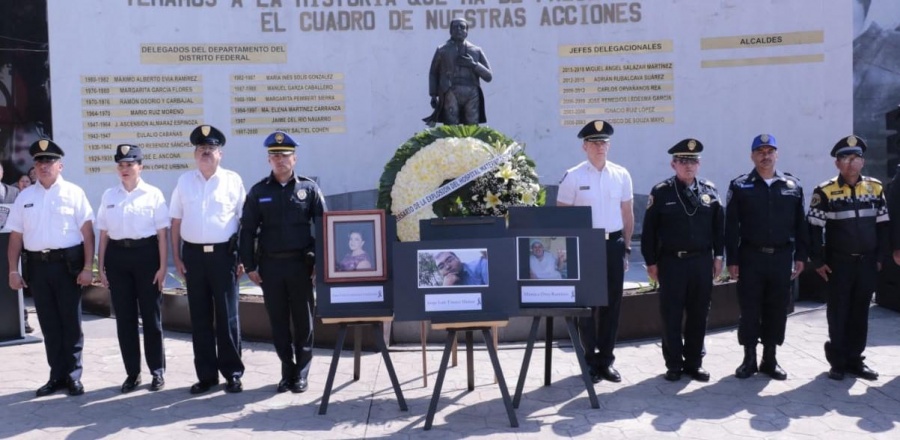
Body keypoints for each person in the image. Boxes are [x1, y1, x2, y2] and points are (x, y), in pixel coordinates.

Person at [6, 139, 94, 397]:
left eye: (49, 161)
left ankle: (73, 375)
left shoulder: (74, 193)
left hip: (67, 267)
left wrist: (89, 267)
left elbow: (88, 234)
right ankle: (56, 375)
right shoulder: (25, 197)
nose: (44, 166)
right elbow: (15, 237)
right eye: (39, 161)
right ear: (34, 166)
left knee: (71, 322)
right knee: (49, 323)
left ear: (60, 166)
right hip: (38, 268)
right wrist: (13, 270)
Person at [239, 131, 326, 394]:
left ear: (294, 159)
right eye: (274, 155)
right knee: (278, 323)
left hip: (301, 266)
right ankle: (286, 371)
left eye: (284, 155)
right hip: (271, 268)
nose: (280, 160)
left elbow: (324, 227)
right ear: (269, 160)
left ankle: (302, 373)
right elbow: (248, 230)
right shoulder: (259, 191)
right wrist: (250, 266)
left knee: (303, 322)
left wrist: (321, 264)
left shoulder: (309, 189)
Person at [170, 125, 246, 394]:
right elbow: (176, 221)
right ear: (194, 153)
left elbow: (243, 221)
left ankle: (233, 373)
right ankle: (206, 375)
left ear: (220, 153)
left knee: (228, 318)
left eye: (210, 149)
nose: (205, 152)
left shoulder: (233, 180)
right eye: (201, 149)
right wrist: (176, 256)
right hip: (193, 257)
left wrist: (243, 258)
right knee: (200, 318)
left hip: (224, 256)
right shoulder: (184, 182)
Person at [725, 134, 808, 381]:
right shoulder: (740, 185)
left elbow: (800, 225)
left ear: (777, 154)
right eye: (760, 151)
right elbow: (731, 226)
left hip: (782, 257)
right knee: (750, 309)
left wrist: (801, 256)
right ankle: (749, 358)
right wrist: (733, 259)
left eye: (770, 150)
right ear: (752, 156)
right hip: (751, 257)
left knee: (777, 309)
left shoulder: (792, 185)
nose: (765, 155)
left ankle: (770, 358)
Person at [556, 119, 634, 384]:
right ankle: (589, 360)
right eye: (595, 142)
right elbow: (563, 216)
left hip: (612, 244)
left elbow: (627, 212)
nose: (600, 146)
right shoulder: (573, 176)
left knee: (613, 304)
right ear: (584, 146)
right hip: (585, 246)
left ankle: (607, 360)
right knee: (587, 305)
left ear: (609, 145)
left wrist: (626, 246)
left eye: (604, 142)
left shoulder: (621, 174)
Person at [641, 138, 724, 382]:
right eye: (683, 161)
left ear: (699, 164)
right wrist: (651, 262)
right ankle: (674, 364)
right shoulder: (661, 192)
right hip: (672, 263)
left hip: (701, 262)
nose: (689, 166)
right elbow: (649, 231)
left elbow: (719, 228)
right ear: (673, 164)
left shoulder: (710, 190)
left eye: (693, 161)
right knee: (671, 314)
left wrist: (719, 256)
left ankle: (694, 362)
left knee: (699, 313)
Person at [807, 135, 888, 381]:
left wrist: (880, 257)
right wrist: (818, 261)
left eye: (856, 158)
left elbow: (883, 226)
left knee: (861, 311)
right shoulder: (825, 191)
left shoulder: (875, 188)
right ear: (837, 163)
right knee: (839, 311)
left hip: (866, 262)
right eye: (846, 158)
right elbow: (812, 228)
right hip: (838, 263)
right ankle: (838, 361)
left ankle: (856, 360)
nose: (851, 163)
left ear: (862, 162)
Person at [96, 144, 169, 393]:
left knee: (151, 317)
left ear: (141, 167)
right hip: (117, 258)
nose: (124, 169)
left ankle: (157, 371)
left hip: (146, 256)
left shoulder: (153, 194)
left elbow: (162, 235)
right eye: (121, 165)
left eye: (129, 164)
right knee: (124, 319)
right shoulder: (109, 196)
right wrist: (101, 267)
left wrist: (162, 268)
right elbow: (103, 234)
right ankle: (132, 373)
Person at [425, 17, 492, 126]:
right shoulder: (442, 50)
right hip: (450, 91)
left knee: (472, 127)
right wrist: (433, 94)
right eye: (455, 27)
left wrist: (473, 64)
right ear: (450, 31)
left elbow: (488, 76)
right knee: (451, 127)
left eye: (462, 27)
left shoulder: (476, 50)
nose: (459, 29)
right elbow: (433, 73)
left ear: (467, 32)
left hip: (471, 92)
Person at [0, 163, 29, 334]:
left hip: (10, 244)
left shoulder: (14, 192)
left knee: (15, 281)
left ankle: (21, 320)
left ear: (2, 173)